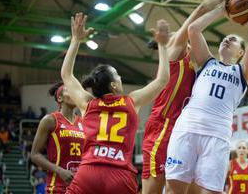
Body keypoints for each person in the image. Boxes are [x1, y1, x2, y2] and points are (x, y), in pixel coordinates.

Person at [141, 0, 243, 194]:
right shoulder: (173, 54)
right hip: (163, 125)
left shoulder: (198, 66)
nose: (181, 37)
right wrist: (223, 1)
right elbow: (197, 17)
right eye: (176, 35)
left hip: (186, 130)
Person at [165, 0, 248, 194]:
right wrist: (222, 11)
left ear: (241, 52)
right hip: (188, 128)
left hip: (217, 135)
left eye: (234, 39)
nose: (228, 39)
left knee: (210, 192)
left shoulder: (242, 72)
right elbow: (193, 29)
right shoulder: (207, 63)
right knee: (174, 188)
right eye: (225, 38)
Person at [63, 13, 170, 194]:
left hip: (89, 172)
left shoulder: (87, 104)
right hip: (119, 175)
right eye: (118, 76)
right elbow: (163, 80)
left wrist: (75, 40)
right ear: (114, 85)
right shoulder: (131, 101)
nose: (120, 77)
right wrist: (162, 45)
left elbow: (66, 75)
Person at [31, 82, 85, 194]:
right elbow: (34, 155)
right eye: (69, 91)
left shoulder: (83, 122)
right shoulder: (50, 120)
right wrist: (59, 170)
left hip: (80, 187)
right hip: (57, 187)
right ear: (60, 98)